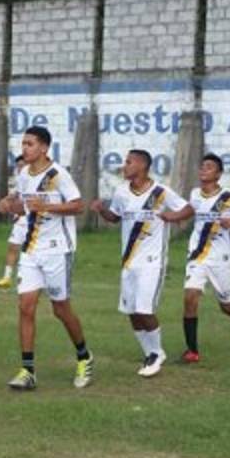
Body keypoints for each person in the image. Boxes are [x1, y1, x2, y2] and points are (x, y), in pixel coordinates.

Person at [0, 127, 92, 390]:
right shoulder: (24, 174)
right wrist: (7, 202)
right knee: (25, 307)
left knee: (60, 309)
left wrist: (47, 206)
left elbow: (78, 205)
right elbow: (21, 202)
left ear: (43, 148)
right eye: (23, 143)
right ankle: (27, 371)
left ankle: (84, 356)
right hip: (31, 249)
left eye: (29, 144)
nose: (24, 148)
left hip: (57, 250)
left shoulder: (58, 175)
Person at [90, 149, 187, 378]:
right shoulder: (122, 192)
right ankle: (150, 353)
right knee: (132, 311)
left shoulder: (160, 192)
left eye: (129, 162)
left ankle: (156, 353)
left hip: (152, 262)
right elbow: (115, 217)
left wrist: (173, 217)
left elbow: (187, 208)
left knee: (144, 309)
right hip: (129, 262)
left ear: (142, 166)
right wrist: (101, 210)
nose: (124, 166)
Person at [166, 154, 230, 362]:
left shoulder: (228, 195)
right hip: (198, 255)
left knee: (226, 305)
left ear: (218, 174)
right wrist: (169, 217)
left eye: (209, 167)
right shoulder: (195, 194)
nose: (203, 170)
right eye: (202, 166)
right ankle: (192, 351)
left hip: (223, 258)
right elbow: (190, 210)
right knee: (190, 297)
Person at [0, 155, 27, 288]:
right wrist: (4, 201)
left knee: (31, 252)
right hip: (20, 220)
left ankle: (33, 279)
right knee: (12, 246)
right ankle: (7, 277)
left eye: (22, 165)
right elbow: (15, 194)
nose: (20, 168)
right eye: (18, 166)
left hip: (34, 220)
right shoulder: (20, 180)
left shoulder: (37, 179)